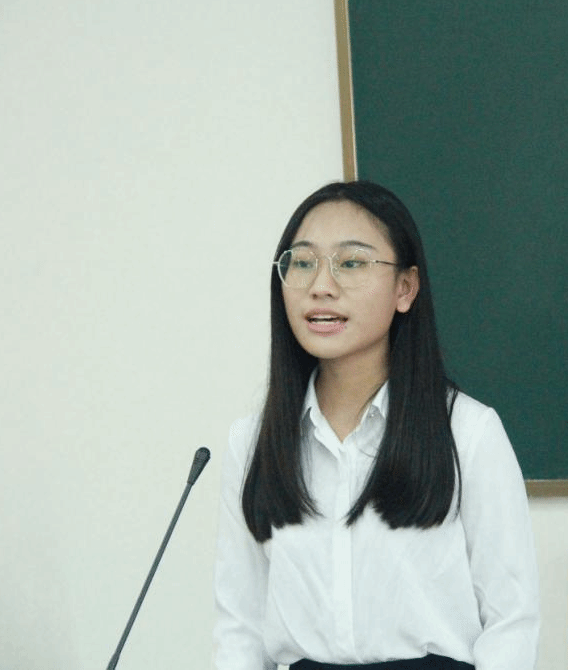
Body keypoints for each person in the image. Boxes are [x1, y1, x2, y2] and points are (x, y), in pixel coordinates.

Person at [213, 181, 539, 670]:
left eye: (351, 262)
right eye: (302, 262)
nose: (321, 285)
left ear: (405, 288)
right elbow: (239, 629)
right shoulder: (253, 442)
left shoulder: (468, 433)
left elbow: (511, 622)